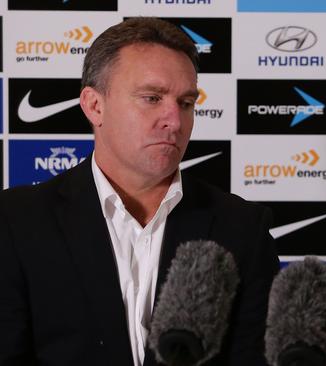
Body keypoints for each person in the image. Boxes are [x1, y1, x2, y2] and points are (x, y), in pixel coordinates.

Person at [0, 18, 279, 366]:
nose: (174, 121)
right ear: (94, 105)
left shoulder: (242, 228)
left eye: (186, 103)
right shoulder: (15, 221)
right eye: (152, 98)